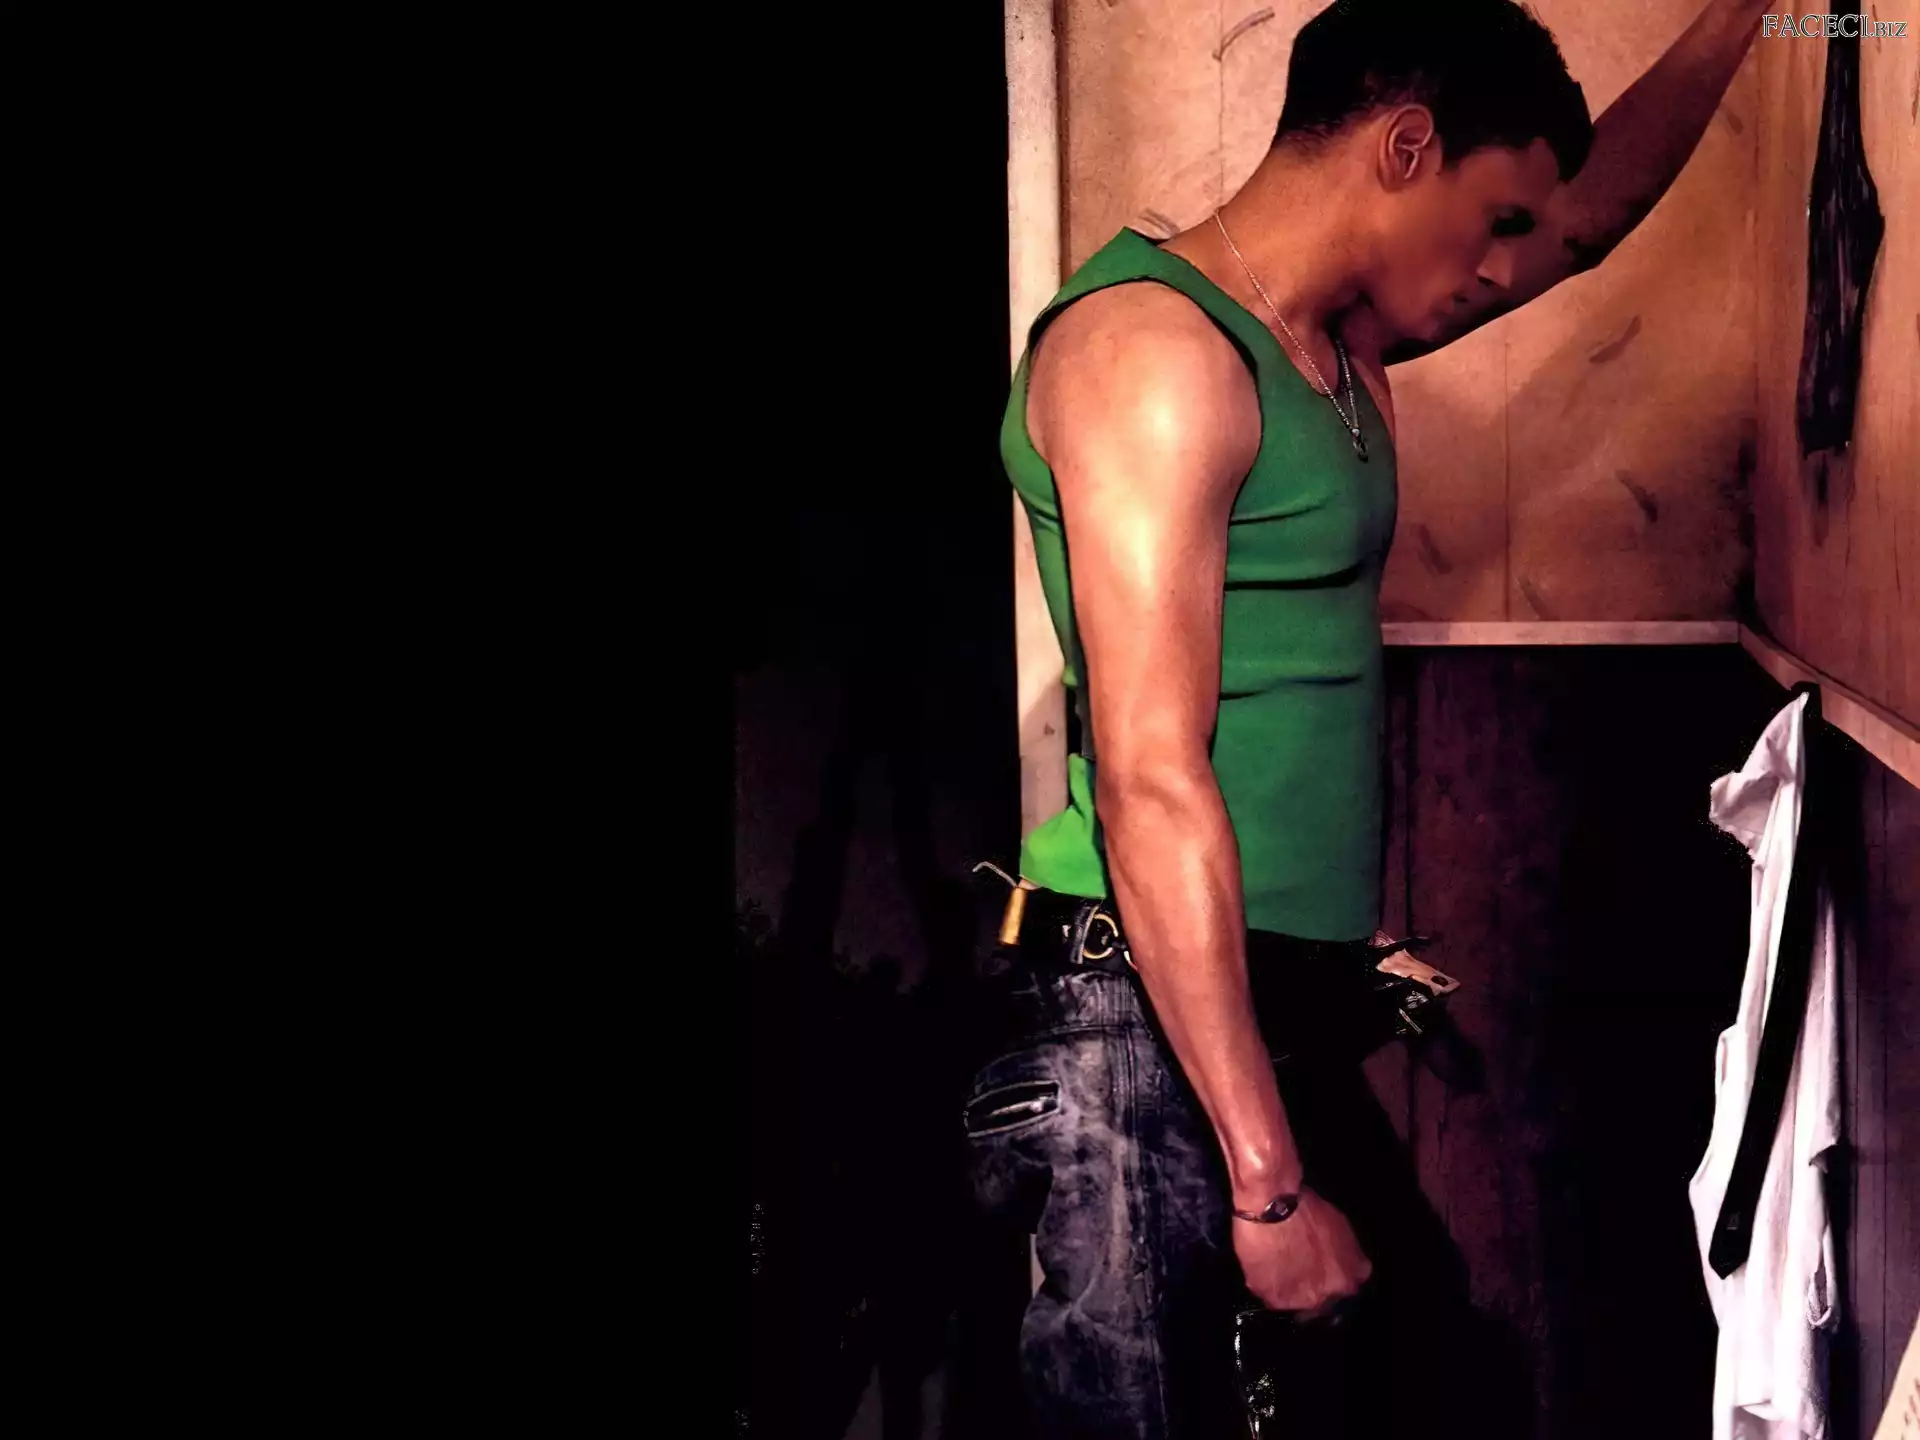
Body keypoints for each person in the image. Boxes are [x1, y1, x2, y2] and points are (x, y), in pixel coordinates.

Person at [968, 1, 1776, 1435]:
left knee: (1436, 1390)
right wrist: (1270, 1189)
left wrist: (1751, 10)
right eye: (1494, 219)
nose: (1509, 266)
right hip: (1137, 1028)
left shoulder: (1332, 347)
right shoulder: (1155, 354)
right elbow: (1151, 780)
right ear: (1406, 148)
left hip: (1264, 1006)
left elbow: (1588, 218)